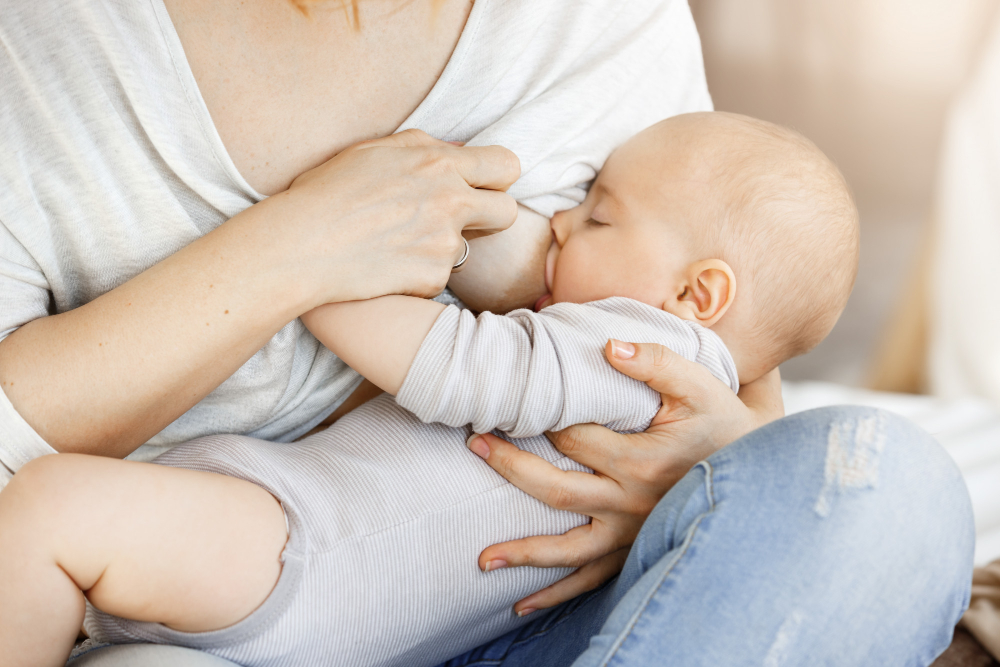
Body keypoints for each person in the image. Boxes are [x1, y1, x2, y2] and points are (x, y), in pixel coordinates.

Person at [0, 114, 974, 667]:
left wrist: (315, 254)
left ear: (696, 293)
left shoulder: (637, 349)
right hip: (333, 577)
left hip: (304, 550)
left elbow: (457, 365)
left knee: (48, 512)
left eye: (598, 214)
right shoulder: (660, 358)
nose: (557, 230)